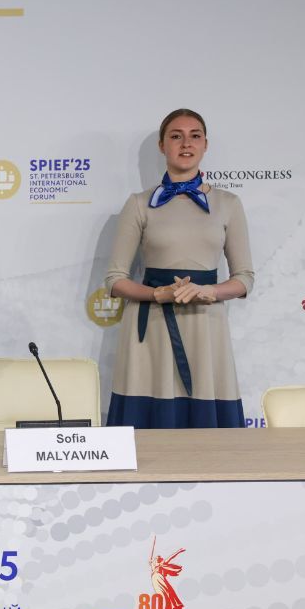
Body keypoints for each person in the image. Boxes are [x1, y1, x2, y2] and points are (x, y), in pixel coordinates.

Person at [104, 108, 254, 428]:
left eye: (195, 136)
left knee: (211, 440)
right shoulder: (138, 204)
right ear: (162, 146)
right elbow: (115, 280)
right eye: (176, 136)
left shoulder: (229, 203)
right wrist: (158, 294)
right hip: (151, 328)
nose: (186, 143)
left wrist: (208, 291)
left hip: (206, 326)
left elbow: (244, 279)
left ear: (205, 145)